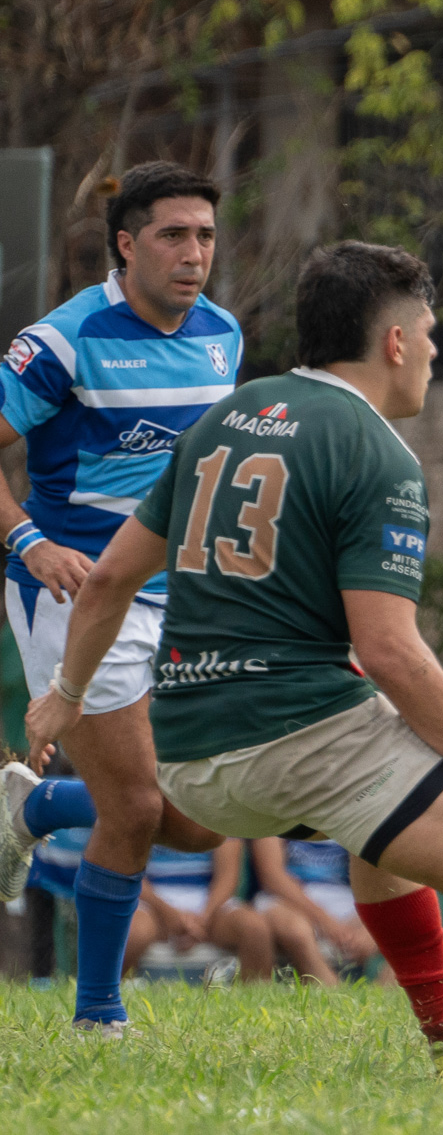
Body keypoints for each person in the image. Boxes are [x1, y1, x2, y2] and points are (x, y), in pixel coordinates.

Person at [25, 240, 443, 1082]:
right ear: (394, 343)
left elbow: (105, 580)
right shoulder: (379, 455)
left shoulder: (224, 416)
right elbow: (388, 650)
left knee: (384, 826)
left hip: (188, 755)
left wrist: (65, 694)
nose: (434, 351)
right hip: (299, 740)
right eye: (429, 333)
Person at [0, 161, 242, 1035]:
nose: (194, 254)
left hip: (180, 595)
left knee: (206, 821)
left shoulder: (224, 337)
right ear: (127, 244)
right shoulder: (62, 340)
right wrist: (30, 540)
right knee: (138, 808)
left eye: (206, 236)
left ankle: (33, 805)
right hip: (73, 593)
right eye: (174, 235)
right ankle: (98, 1014)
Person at [125, 840, 284, 983]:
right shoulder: (145, 810)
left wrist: (203, 919)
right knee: (131, 933)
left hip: (210, 902)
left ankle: (255, 1006)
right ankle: (112, 999)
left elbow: (227, 877)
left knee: (255, 929)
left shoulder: (221, 813)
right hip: (153, 903)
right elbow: (131, 873)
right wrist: (168, 914)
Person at [248, 836, 380, 983]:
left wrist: (369, 929)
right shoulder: (274, 817)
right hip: (287, 899)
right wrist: (325, 920)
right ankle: (332, 995)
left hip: (345, 900)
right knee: (297, 930)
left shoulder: (355, 819)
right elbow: (272, 877)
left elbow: (376, 880)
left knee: (396, 924)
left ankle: (383, 996)